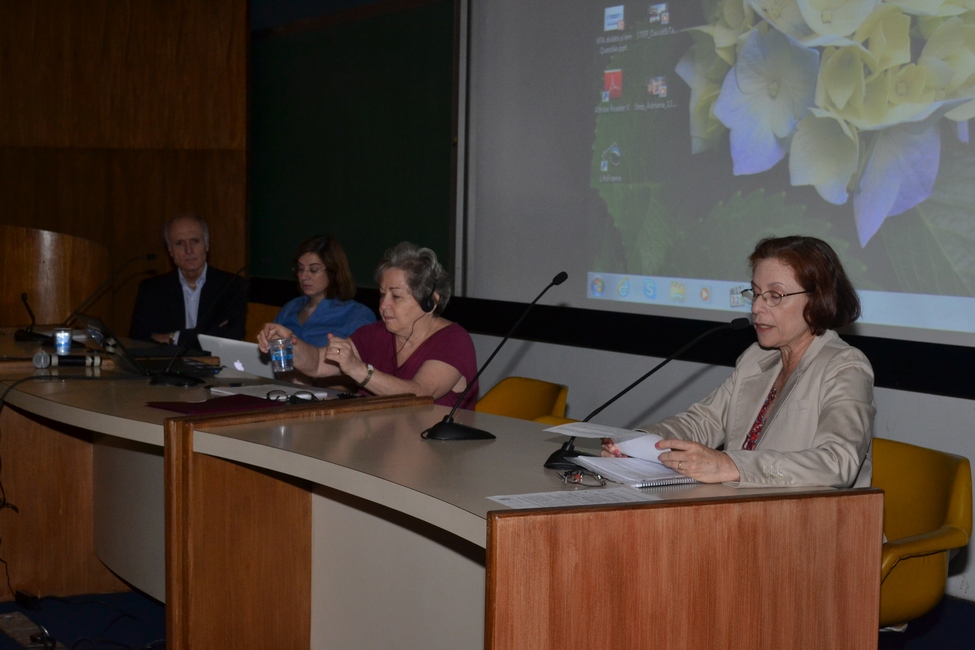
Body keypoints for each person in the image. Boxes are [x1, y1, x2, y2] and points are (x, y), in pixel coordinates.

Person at [602, 236, 875, 488]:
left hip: (819, 527)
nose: (757, 307)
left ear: (817, 301)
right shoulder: (756, 358)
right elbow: (701, 423)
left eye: (774, 296)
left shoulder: (845, 366)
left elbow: (838, 464)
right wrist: (637, 443)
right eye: (756, 293)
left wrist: (732, 465)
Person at [258, 242, 478, 407]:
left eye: (396, 296)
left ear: (430, 302)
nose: (384, 305)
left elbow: (420, 395)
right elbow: (316, 362)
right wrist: (288, 342)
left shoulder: (454, 340)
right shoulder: (377, 333)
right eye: (382, 294)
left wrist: (358, 369)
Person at [130, 214, 247, 350]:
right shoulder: (151, 289)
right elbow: (138, 340)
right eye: (179, 243)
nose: (188, 250)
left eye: (195, 241)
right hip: (167, 367)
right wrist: (208, 335)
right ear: (170, 251)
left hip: (216, 365)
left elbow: (232, 336)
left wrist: (173, 337)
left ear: (206, 245)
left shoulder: (232, 286)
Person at [273, 235, 375, 345]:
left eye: (314, 270)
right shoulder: (291, 307)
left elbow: (362, 358)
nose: (303, 276)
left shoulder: (357, 314)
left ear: (333, 271)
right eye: (301, 269)